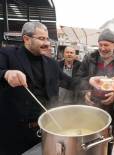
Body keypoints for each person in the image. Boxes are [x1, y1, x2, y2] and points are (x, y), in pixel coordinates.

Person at [0, 21, 72, 154]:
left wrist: (90, 82)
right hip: (13, 133)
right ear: (26, 39)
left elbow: (69, 82)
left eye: (47, 39)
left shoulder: (51, 63)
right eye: (41, 39)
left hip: (45, 129)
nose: (47, 43)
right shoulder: (7, 54)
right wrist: (6, 74)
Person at [75, 28, 114, 155]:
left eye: (106, 45)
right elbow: (79, 78)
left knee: (108, 141)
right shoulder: (89, 58)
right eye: (100, 45)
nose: (102, 48)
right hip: (92, 107)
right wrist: (85, 91)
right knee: (90, 141)